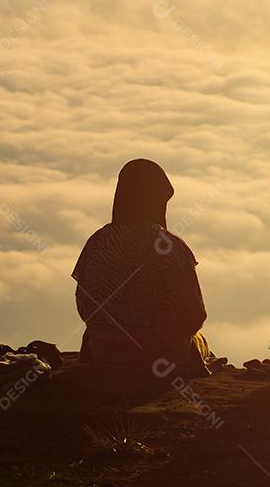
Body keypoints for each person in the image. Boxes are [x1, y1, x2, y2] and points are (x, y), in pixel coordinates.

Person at [72, 159, 211, 377]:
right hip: (161, 357)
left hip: (105, 353)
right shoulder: (169, 246)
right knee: (200, 341)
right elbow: (194, 316)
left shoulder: (97, 243)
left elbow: (85, 306)